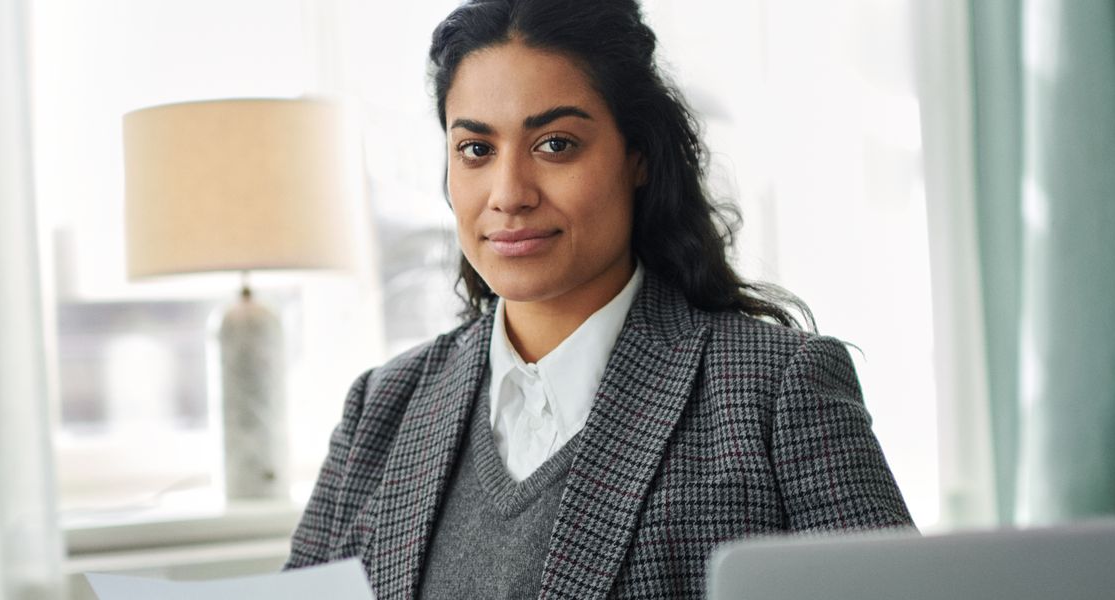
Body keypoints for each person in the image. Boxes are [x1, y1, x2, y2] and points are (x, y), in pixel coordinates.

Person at [285, 0, 914, 597]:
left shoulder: (775, 390)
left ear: (636, 156)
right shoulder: (381, 409)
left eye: (555, 144)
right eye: (476, 149)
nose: (509, 193)